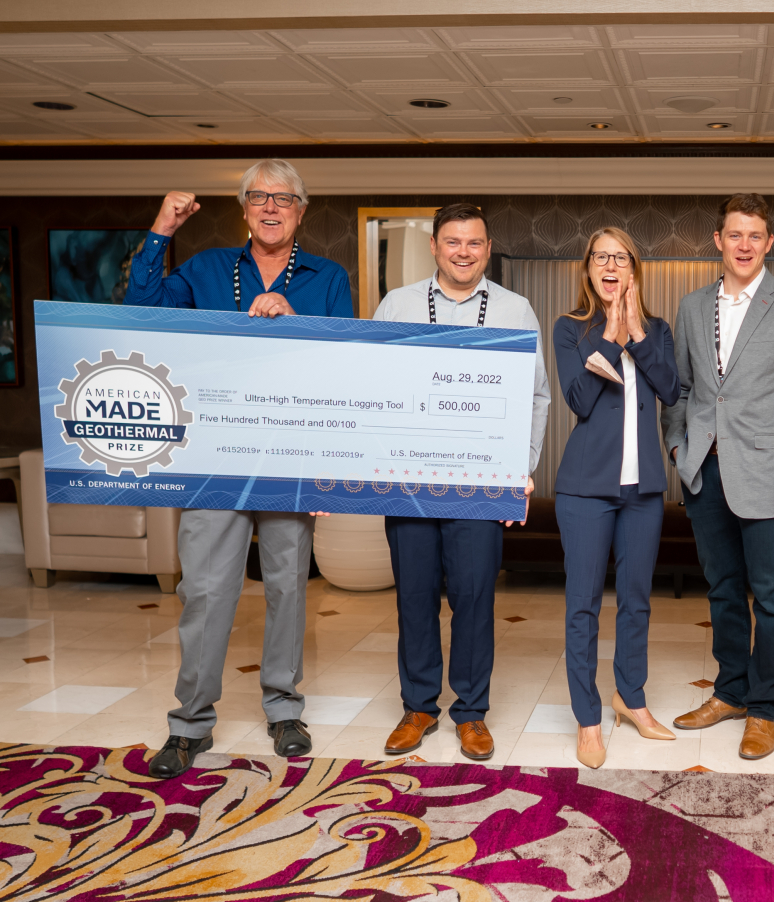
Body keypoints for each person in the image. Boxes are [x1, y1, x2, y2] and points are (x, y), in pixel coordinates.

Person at [125, 158, 353, 778]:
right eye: (259, 198)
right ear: (245, 209)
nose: (271, 207)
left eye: (283, 198)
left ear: (302, 210)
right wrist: (163, 228)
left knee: (287, 589)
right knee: (203, 592)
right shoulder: (202, 271)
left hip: (288, 457)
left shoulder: (328, 277)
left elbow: (346, 366)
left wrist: (297, 323)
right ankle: (190, 723)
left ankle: (284, 710)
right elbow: (140, 307)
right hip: (213, 459)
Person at [372, 203, 550, 761]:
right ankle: (420, 705)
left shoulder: (515, 310)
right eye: (453, 242)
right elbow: (371, 388)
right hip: (409, 480)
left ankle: (471, 712)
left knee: (473, 598)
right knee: (415, 597)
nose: (463, 252)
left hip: (481, 482)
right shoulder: (396, 306)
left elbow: (536, 394)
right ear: (434, 246)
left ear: (487, 248)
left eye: (474, 243)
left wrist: (521, 470)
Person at [662, 193, 774, 760]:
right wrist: (679, 445)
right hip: (705, 473)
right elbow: (681, 389)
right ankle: (729, 692)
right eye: (735, 235)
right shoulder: (691, 306)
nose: (745, 245)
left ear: (769, 243)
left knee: (773, 596)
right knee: (723, 592)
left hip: (768, 475)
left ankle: (764, 708)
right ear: (718, 241)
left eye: (755, 235)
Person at [553, 228, 682, 768]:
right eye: (601, 257)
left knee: (637, 602)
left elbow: (672, 390)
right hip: (584, 491)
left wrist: (635, 334)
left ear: (634, 268)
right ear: (588, 269)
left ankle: (632, 700)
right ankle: (588, 719)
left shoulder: (657, 329)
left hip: (643, 490)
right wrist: (608, 331)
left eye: (621, 257)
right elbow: (579, 400)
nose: (610, 265)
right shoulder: (570, 329)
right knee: (582, 606)